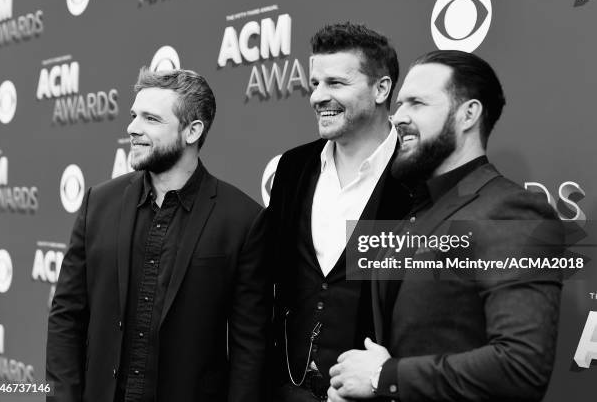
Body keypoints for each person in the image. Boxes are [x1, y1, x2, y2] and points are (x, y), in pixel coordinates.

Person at [327, 50, 564, 402]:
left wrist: (383, 377)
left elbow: (521, 366)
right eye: (400, 103)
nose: (398, 117)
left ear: (468, 114)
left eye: (417, 104)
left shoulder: (513, 211)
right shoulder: (412, 213)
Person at [46, 68, 269, 402]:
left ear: (192, 131)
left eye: (151, 119)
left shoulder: (242, 219)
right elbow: (66, 316)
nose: (132, 128)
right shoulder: (98, 204)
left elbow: (249, 347)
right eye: (134, 116)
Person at [265, 22, 411, 401]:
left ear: (381, 89)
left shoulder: (417, 176)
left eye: (335, 83)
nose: (318, 96)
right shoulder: (293, 167)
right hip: (286, 388)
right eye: (315, 84)